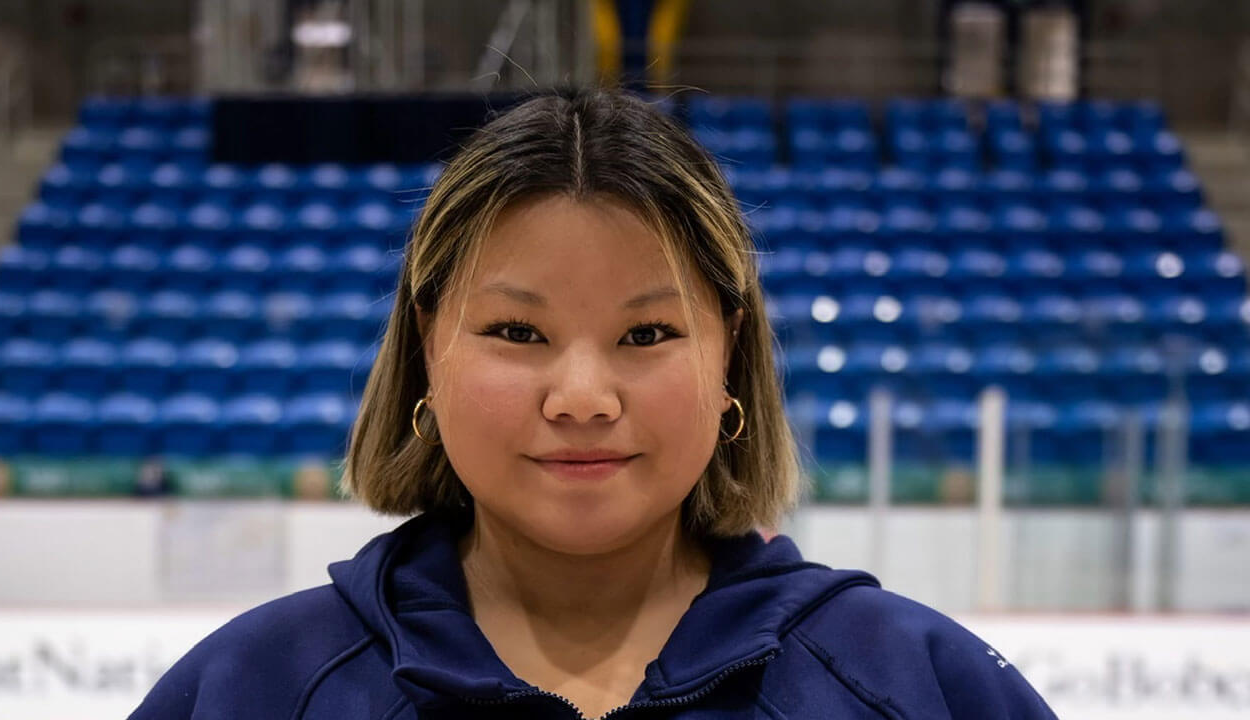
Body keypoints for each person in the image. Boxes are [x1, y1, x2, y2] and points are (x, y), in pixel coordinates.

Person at [129, 87, 1059, 719]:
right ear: (427, 346)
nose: (581, 400)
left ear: (729, 351)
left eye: (647, 336)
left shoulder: (912, 686)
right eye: (518, 334)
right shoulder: (255, 688)